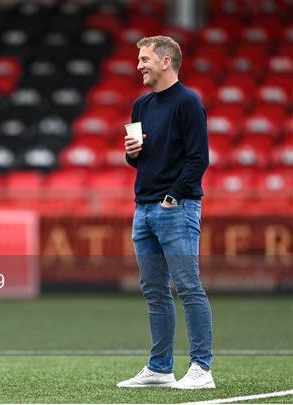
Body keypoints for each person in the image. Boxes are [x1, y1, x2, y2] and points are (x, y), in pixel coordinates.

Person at [117, 36, 215, 390]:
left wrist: (172, 197)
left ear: (166, 62)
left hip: (177, 207)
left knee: (189, 287)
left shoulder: (188, 102)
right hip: (143, 209)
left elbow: (198, 158)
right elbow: (138, 159)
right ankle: (160, 368)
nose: (139, 65)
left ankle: (201, 369)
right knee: (155, 291)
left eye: (145, 59)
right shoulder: (140, 106)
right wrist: (131, 153)